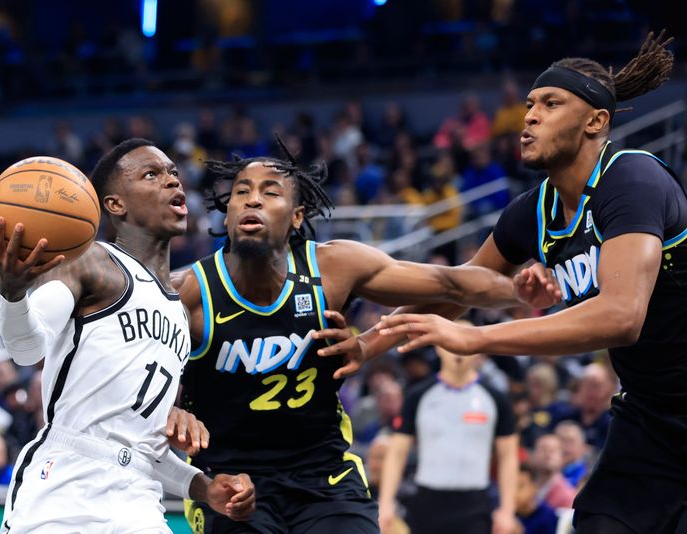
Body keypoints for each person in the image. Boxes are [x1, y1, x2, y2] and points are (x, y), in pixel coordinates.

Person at [345, 31, 685, 534]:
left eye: (551, 103)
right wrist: (362, 348)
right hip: (652, 416)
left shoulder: (632, 180)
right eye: (529, 104)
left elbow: (621, 316)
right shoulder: (532, 212)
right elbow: (457, 289)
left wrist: (478, 338)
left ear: (596, 121)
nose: (529, 116)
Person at [173, 137, 526, 533]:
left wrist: (522, 290)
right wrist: (170, 408)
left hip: (324, 475)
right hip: (231, 481)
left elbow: (452, 287)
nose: (252, 200)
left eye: (269, 192)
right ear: (227, 214)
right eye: (241, 192)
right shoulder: (186, 292)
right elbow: (132, 374)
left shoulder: (335, 268)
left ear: (296, 216)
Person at [0, 140, 255, 533]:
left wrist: (205, 488)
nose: (170, 181)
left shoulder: (178, 313)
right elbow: (27, 348)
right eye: (151, 174)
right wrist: (11, 293)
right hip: (64, 485)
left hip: (138, 498)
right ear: (115, 205)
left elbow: (146, 447)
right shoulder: (92, 262)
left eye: (173, 173)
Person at [378, 332, 518, 534]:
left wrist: (507, 510)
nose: (458, 352)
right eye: (451, 344)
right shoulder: (418, 395)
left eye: (466, 343)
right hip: (428, 500)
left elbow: (508, 457)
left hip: (475, 503)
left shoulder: (496, 398)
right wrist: (386, 502)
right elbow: (397, 452)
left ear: (477, 350)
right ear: (438, 347)